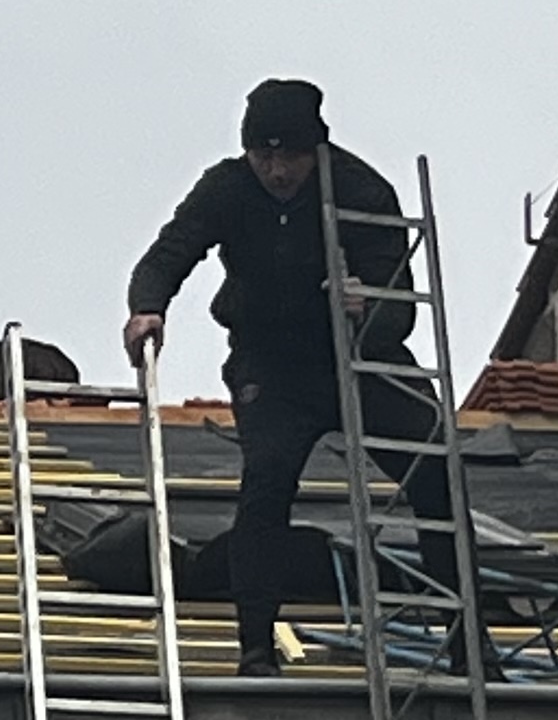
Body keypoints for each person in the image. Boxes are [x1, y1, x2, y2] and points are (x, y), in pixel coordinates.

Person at [121, 77, 458, 677]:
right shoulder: (228, 187)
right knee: (268, 479)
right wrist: (148, 307)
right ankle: (256, 647)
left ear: (316, 150)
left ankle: (468, 644)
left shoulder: (360, 190)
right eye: (263, 156)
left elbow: (401, 305)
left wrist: (370, 307)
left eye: (291, 158)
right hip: (272, 361)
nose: (276, 171)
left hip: (358, 356)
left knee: (435, 465)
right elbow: (168, 253)